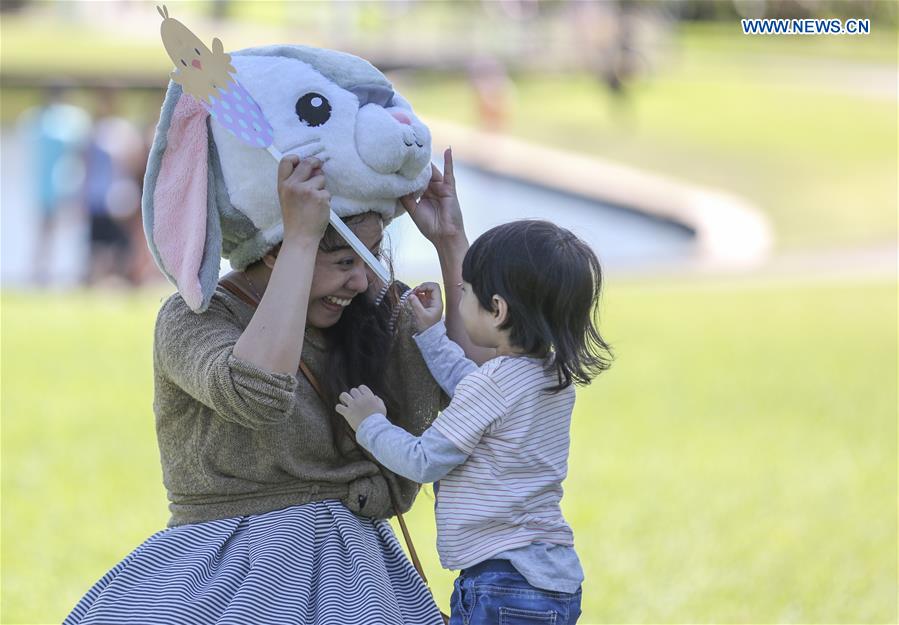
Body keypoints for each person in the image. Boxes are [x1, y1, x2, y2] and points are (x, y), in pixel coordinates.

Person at [64, 148, 482, 624]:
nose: (361, 281)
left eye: (369, 257)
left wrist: (450, 241)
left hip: (355, 579)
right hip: (227, 573)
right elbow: (257, 391)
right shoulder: (196, 316)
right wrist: (299, 239)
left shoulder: (374, 313)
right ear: (272, 249)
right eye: (344, 260)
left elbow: (482, 388)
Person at [336, 220, 614, 625]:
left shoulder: (496, 384)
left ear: (497, 309)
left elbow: (424, 460)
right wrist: (431, 334)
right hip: (551, 581)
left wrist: (370, 424)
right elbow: (472, 387)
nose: (459, 297)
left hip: (502, 580)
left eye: (465, 291)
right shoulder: (549, 375)